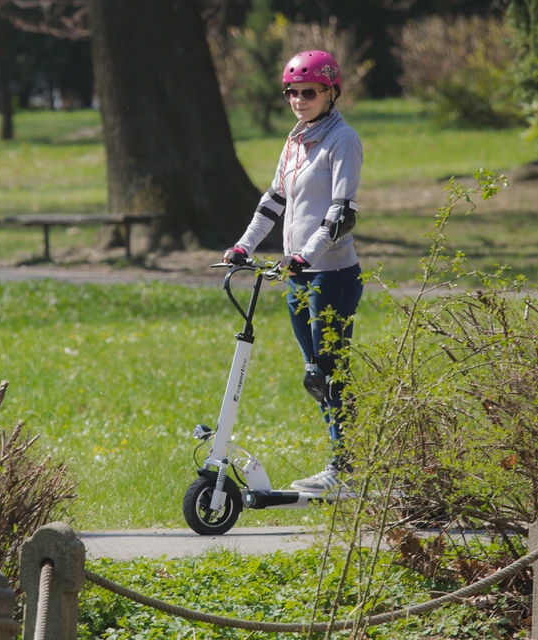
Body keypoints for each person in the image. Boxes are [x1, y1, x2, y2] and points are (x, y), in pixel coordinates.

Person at [223, 50, 364, 495]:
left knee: (330, 370)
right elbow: (273, 201)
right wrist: (245, 244)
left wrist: (306, 253)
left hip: (332, 274)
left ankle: (346, 468)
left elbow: (343, 213)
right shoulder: (296, 141)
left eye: (309, 92)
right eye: (292, 92)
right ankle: (348, 464)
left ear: (330, 92)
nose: (299, 99)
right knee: (315, 374)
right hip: (299, 275)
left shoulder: (342, 140)